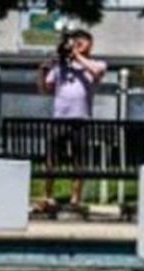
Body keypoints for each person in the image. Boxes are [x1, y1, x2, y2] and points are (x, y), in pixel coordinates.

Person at [36, 29, 107, 212]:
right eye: (76, 40)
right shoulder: (60, 66)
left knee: (78, 161)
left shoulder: (96, 64)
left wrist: (76, 56)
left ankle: (75, 199)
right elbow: (46, 89)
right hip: (60, 118)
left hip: (81, 119)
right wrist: (42, 72)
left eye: (82, 40)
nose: (78, 43)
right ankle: (47, 197)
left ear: (90, 44)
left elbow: (97, 72)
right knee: (52, 161)